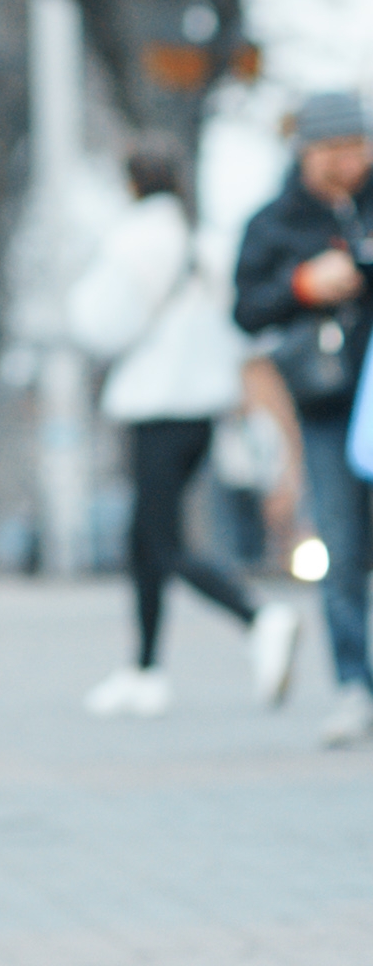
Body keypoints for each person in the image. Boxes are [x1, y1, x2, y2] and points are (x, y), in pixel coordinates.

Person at [74, 142, 300, 716]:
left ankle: (259, 618)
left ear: (131, 183)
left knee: (160, 542)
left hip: (156, 406)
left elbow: (99, 323)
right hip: (201, 408)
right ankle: (145, 670)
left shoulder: (134, 240)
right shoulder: (203, 243)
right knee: (144, 538)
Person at [233, 94, 373, 752]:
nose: (352, 162)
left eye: (359, 147)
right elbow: (246, 306)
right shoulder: (275, 222)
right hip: (327, 404)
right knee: (341, 546)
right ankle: (355, 684)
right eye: (338, 150)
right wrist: (303, 286)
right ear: (306, 153)